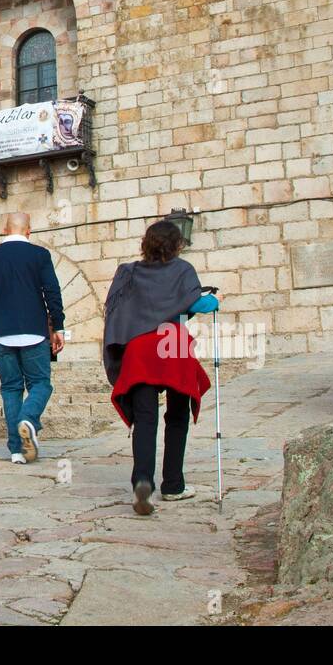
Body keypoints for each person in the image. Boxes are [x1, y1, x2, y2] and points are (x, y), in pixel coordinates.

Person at [103, 219, 217, 517]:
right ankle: (173, 484)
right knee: (177, 416)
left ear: (146, 244)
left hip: (140, 349)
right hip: (173, 344)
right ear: (178, 245)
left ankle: (143, 480)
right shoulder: (183, 270)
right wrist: (211, 300)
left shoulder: (128, 273)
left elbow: (115, 309)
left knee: (145, 419)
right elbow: (196, 304)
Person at [0, 212, 65, 464]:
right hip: (34, 332)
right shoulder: (40, 255)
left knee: (11, 388)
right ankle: (29, 418)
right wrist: (58, 327)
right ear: (29, 231)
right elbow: (52, 293)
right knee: (40, 384)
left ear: (5, 230)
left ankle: (16, 450)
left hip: (3, 334)